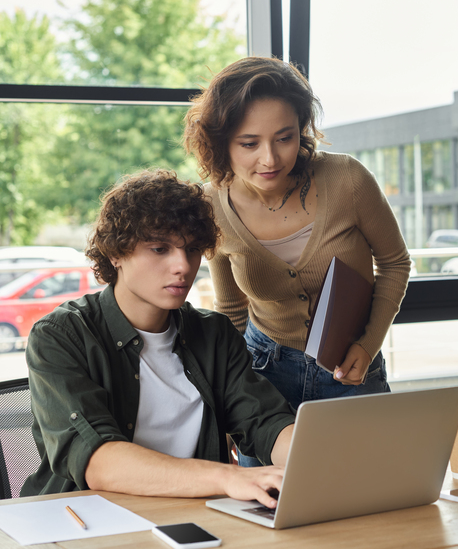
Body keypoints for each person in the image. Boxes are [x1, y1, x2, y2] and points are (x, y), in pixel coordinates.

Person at [183, 57, 411, 465]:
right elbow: (233, 310)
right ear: (221, 143)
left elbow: (395, 263)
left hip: (352, 367)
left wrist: (368, 343)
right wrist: (235, 397)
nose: (270, 159)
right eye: (249, 144)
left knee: (372, 501)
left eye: (284, 138)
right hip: (263, 376)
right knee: (270, 513)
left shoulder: (347, 180)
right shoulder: (211, 206)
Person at [21, 169, 294, 509]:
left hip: (191, 517)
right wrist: (227, 477)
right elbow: (98, 460)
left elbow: (265, 422)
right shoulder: (62, 336)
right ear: (115, 253)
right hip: (83, 520)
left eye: (192, 249)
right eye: (159, 248)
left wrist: (308, 453)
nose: (183, 266)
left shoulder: (214, 335)